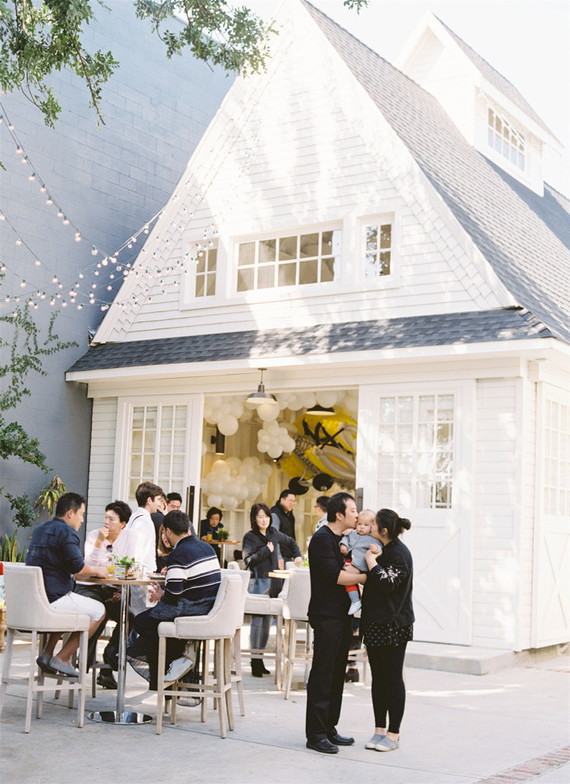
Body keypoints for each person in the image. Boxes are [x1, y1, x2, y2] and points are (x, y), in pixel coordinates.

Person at [128, 510, 221, 690]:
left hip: (191, 610)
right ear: (187, 527)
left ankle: (176, 660)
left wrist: (161, 595)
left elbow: (173, 595)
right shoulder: (206, 547)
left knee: (141, 622)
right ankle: (174, 662)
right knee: (160, 632)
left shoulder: (178, 554)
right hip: (209, 609)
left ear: (168, 531)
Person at [305, 492, 367, 754]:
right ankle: (316, 734)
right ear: (339, 514)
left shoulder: (342, 539)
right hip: (326, 615)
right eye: (352, 510)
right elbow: (334, 576)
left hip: (342, 614)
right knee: (323, 673)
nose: (357, 514)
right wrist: (366, 577)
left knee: (337, 673)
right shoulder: (322, 539)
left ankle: (330, 727)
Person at [25, 492, 107, 678]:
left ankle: (46, 654)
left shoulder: (40, 529)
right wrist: (98, 571)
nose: (82, 520)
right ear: (70, 513)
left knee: (71, 607)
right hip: (53, 599)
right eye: (81, 514)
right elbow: (79, 569)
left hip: (35, 601)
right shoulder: (67, 532)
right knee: (99, 611)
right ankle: (62, 658)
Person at [362, 508, 414, 753]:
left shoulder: (399, 554)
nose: (369, 526)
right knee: (378, 679)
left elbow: (386, 583)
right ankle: (379, 730)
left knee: (392, 678)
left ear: (383, 530)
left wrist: (371, 562)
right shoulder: (382, 550)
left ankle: (393, 734)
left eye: (372, 524)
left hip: (393, 625)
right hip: (374, 623)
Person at [74, 499, 134, 688]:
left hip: (112, 589)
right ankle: (83, 666)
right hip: (89, 587)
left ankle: (110, 660)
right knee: (99, 613)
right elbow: (88, 565)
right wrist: (100, 542)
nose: (106, 522)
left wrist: (119, 590)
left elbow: (129, 565)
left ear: (123, 523)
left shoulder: (129, 537)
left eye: (112, 519)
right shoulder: (94, 535)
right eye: (105, 517)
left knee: (130, 618)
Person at [242, 502, 302, 677]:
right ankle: (254, 659)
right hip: (259, 582)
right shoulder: (250, 537)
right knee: (257, 622)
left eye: (266, 516)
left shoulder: (273, 533)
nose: (264, 520)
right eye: (260, 517)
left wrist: (297, 554)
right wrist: (266, 550)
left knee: (268, 622)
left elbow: (290, 541)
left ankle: (260, 660)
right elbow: (248, 561)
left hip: (274, 582)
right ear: (254, 518)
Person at [125, 480, 164, 613]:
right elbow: (138, 552)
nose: (159, 503)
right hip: (143, 577)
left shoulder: (134, 517)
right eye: (158, 499)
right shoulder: (144, 521)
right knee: (143, 615)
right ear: (149, 500)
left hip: (138, 576)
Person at [339, 509, 379, 615]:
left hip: (360, 565)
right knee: (348, 580)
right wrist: (344, 545)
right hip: (349, 560)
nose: (361, 527)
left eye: (366, 525)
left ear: (372, 526)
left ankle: (355, 601)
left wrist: (376, 549)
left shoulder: (373, 539)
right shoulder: (352, 533)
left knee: (348, 579)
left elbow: (380, 548)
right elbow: (345, 539)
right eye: (359, 524)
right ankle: (356, 600)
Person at [270, 490, 297, 567]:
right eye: (290, 501)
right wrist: (278, 557)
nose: (292, 503)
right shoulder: (275, 514)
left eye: (294, 501)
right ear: (282, 500)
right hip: (280, 556)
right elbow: (273, 537)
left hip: (288, 556)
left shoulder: (289, 514)